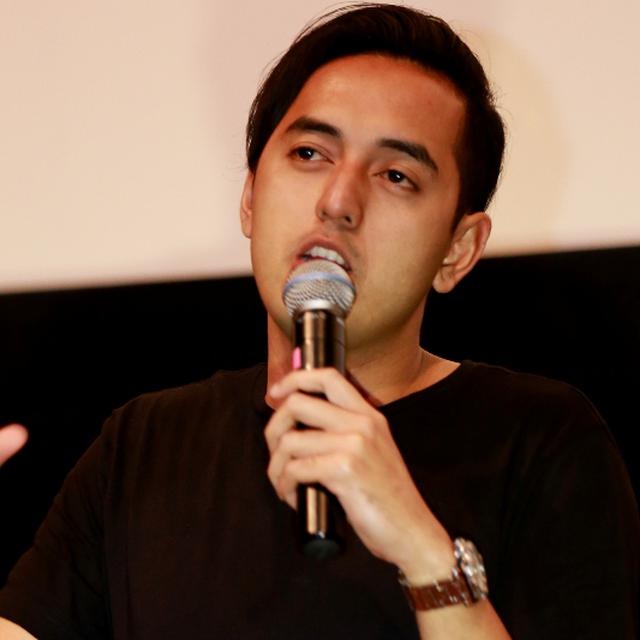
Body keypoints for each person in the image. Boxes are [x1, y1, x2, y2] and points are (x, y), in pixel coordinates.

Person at [0, 4, 638, 639]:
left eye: (395, 175)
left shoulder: (542, 442)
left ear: (458, 249)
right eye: (310, 152)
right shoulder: (143, 446)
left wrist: (421, 550)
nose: (338, 201)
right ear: (250, 198)